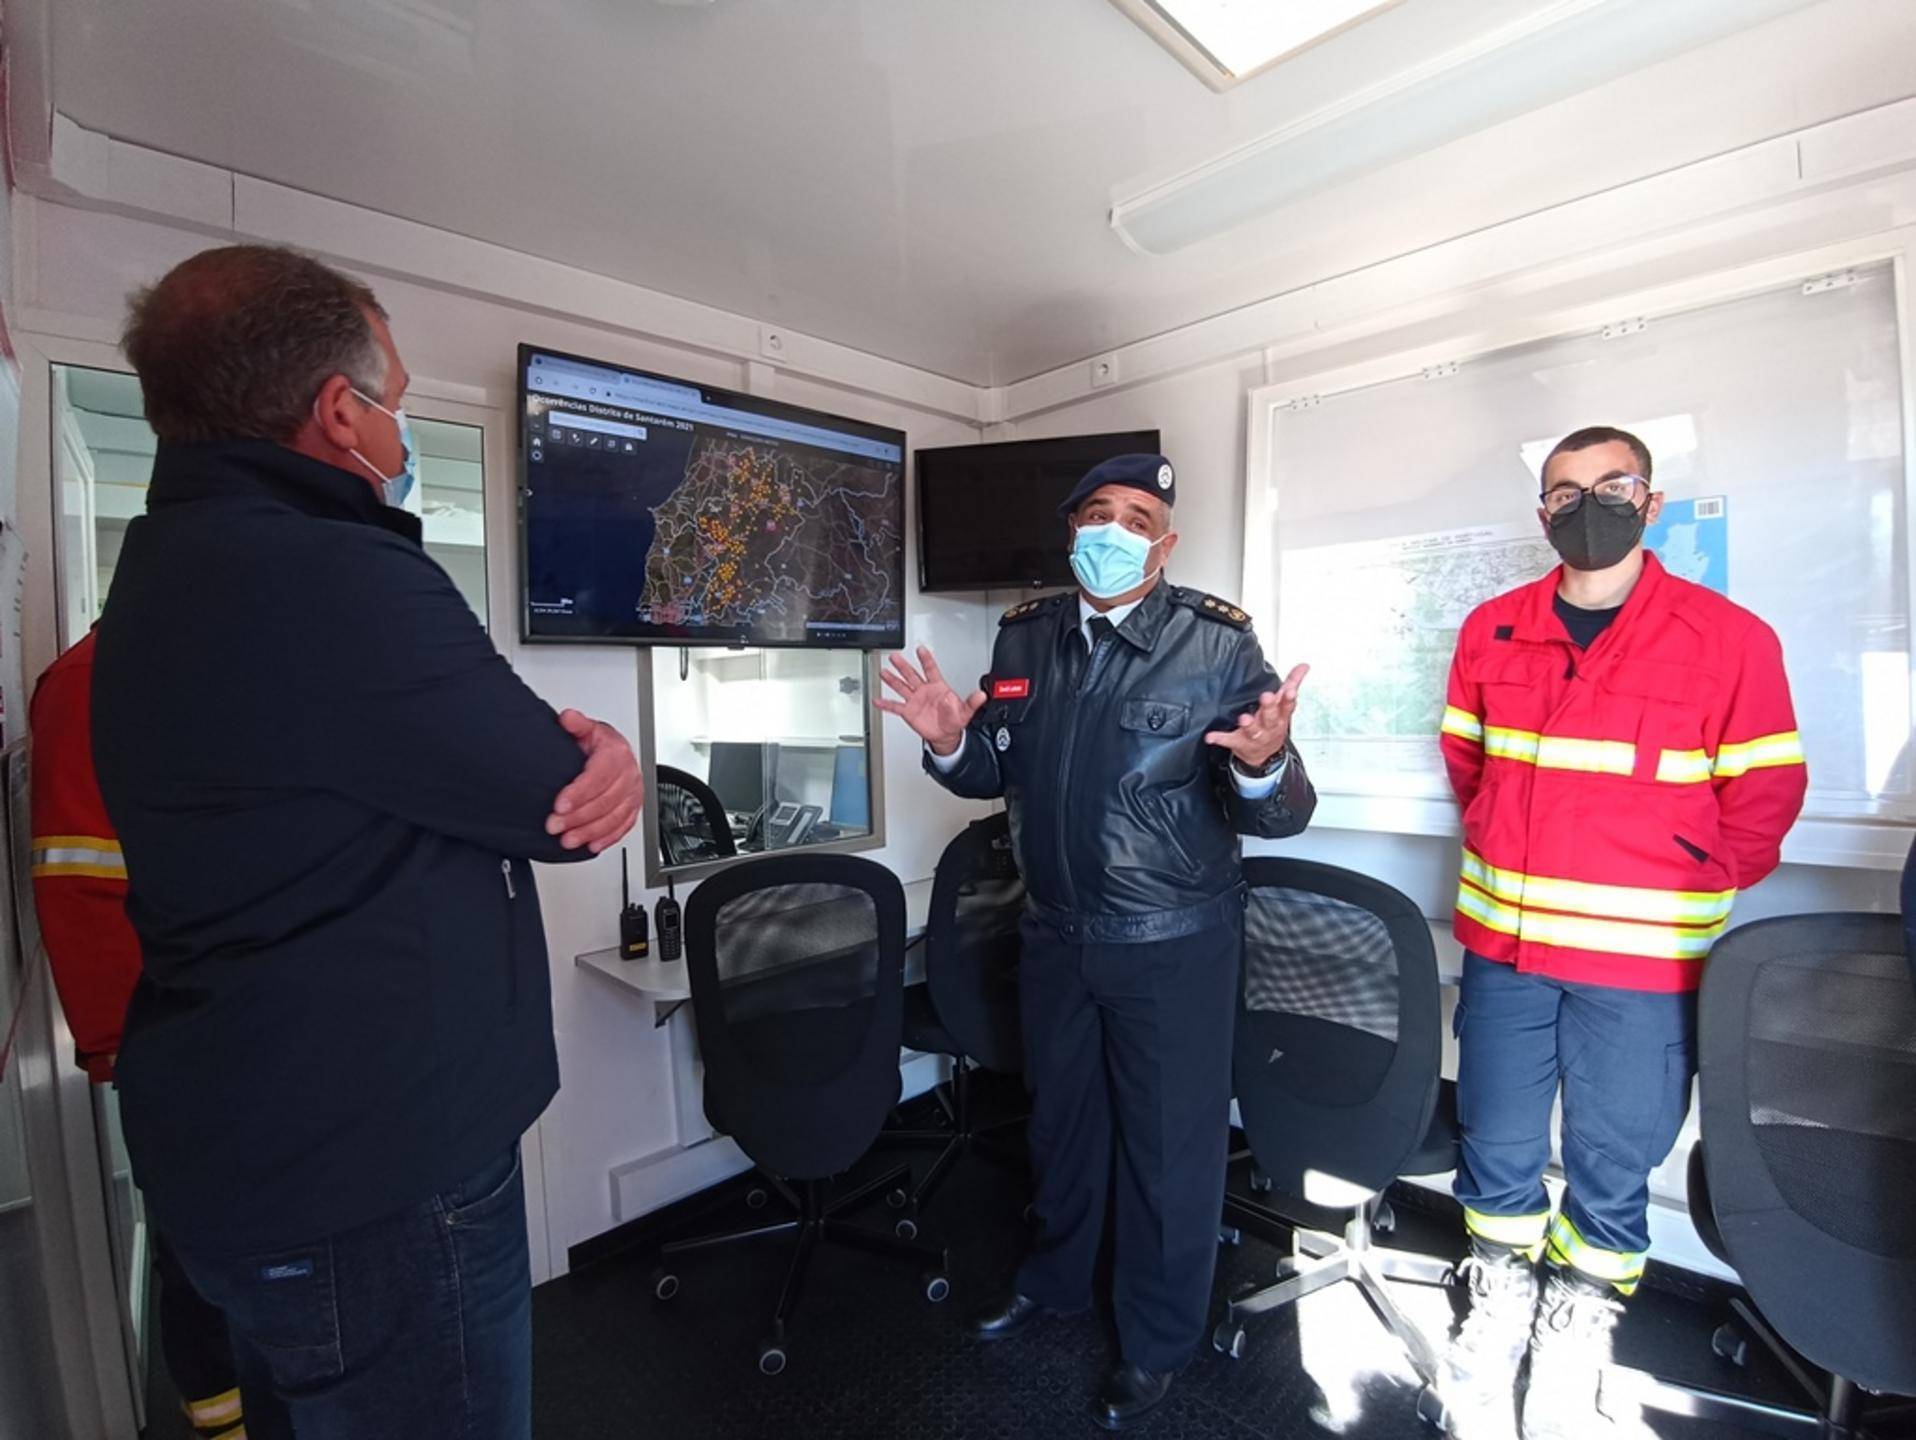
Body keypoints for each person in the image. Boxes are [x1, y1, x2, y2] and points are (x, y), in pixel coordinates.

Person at [90, 245, 643, 1440]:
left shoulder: (173, 562)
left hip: (260, 1154)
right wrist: (605, 748)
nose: (401, 431)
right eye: (394, 401)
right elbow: (555, 801)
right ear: (339, 413)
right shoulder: (330, 571)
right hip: (376, 1183)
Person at [876, 453, 1315, 1431]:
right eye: (1098, 513)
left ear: (1164, 544)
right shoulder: (1025, 635)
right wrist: (950, 742)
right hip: (1054, 937)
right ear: (1071, 528)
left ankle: (1156, 1341)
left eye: (1138, 518)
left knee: (1168, 1152)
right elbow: (995, 771)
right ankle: (1056, 1280)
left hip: (1173, 943)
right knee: (1060, 1131)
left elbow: (1280, 813)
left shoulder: (1215, 644)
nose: (1114, 531)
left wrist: (1266, 761)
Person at [1426, 426, 1806, 1440]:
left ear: (1651, 501)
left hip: (1639, 963)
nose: (1585, 504)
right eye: (1564, 491)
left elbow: (1764, 797)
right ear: (1541, 511)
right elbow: (1469, 767)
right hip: (1507, 952)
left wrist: (1684, 873)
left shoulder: (1728, 638)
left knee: (1612, 1159)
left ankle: (1576, 1324)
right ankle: (1497, 1303)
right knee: (1495, 1144)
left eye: (1612, 484)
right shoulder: (1493, 627)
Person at [30, 630, 260, 1440]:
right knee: (201, 1258)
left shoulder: (219, 665)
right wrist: (125, 1045)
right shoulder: (94, 679)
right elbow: (77, 880)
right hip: (184, 1040)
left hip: (247, 1028)